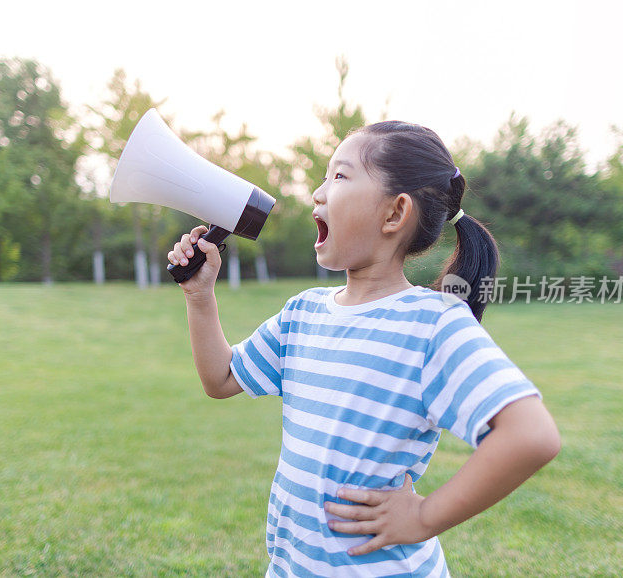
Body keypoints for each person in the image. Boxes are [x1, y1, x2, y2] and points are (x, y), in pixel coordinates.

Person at [167, 120, 561, 577]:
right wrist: (200, 296)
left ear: (394, 214)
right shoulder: (303, 315)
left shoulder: (431, 324)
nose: (317, 193)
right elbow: (222, 378)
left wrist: (423, 516)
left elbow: (531, 435)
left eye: (339, 176)